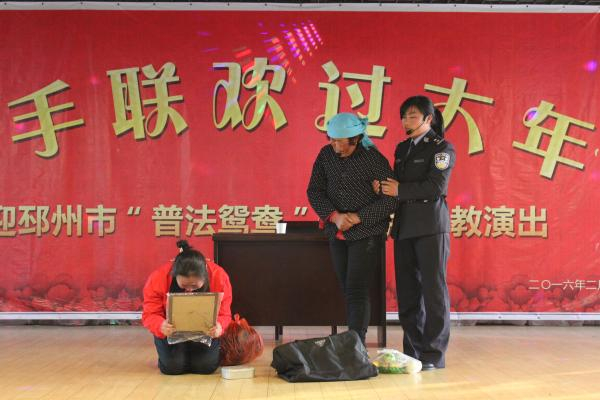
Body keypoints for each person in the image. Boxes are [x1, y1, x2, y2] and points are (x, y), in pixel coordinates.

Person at [374, 95, 455, 370]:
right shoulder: (402, 148)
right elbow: (397, 185)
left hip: (431, 227)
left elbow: (437, 187)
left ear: (428, 119)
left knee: (434, 292)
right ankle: (413, 351)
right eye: (404, 116)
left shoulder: (442, 148)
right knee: (408, 294)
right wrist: (383, 187)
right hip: (404, 226)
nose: (406, 121)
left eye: (412, 116)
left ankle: (433, 355)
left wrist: (400, 189)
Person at [307, 112, 396, 345]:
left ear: (355, 139)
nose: (335, 146)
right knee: (347, 287)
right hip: (337, 230)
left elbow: (391, 200)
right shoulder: (325, 155)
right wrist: (334, 216)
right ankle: (353, 339)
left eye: (340, 142)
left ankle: (356, 342)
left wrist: (358, 217)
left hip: (367, 232)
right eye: (332, 140)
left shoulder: (374, 159)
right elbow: (314, 191)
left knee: (357, 288)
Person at [142, 240, 232, 375]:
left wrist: (219, 326)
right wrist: (161, 326)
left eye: (194, 286)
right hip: (171, 333)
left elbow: (225, 314)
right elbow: (150, 314)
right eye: (184, 286)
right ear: (174, 274)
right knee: (172, 368)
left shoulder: (219, 277)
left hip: (205, 333)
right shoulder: (158, 277)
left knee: (205, 367)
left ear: (205, 275)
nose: (189, 290)